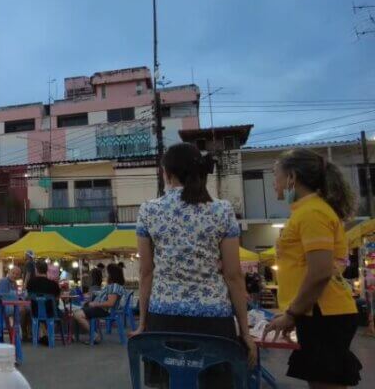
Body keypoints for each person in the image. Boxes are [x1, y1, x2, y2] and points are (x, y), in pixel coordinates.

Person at [131, 142, 257, 385]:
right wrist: (245, 332)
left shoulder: (149, 211)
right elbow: (233, 275)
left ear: (167, 174)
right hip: (214, 322)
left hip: (163, 319)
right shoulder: (222, 210)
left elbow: (146, 272)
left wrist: (142, 323)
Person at [264, 149, 362, 388]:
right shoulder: (306, 211)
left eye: (276, 176)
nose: (273, 183)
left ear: (292, 178)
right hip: (317, 312)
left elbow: (319, 272)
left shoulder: (313, 213)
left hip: (324, 312)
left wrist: (292, 313)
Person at [72, 263, 125, 343]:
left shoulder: (114, 286)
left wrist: (94, 304)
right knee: (76, 312)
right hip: (101, 309)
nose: (105, 274)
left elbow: (110, 303)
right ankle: (76, 337)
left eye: (107, 272)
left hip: (103, 310)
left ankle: (95, 336)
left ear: (111, 274)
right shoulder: (115, 285)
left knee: (77, 314)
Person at [26, 260, 62, 345]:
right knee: (61, 312)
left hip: (35, 313)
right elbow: (57, 298)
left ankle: (42, 335)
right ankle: (49, 335)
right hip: (51, 313)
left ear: (36, 270)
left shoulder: (30, 283)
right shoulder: (53, 284)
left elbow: (28, 296)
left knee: (33, 311)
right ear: (46, 270)